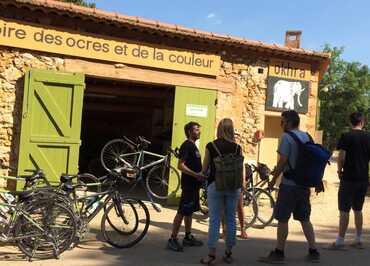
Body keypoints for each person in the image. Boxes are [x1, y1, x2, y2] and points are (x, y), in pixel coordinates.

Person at [259, 110, 322, 264]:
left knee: (282, 219)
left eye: (282, 121)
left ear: (288, 122)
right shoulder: (307, 136)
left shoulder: (286, 137)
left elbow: (283, 161)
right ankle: (313, 251)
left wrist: (274, 180)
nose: (281, 124)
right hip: (303, 185)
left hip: (289, 185)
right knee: (305, 219)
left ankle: (279, 253)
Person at [200, 118, 242, 264]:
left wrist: (200, 175)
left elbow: (204, 168)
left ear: (219, 129)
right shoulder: (237, 147)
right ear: (231, 129)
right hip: (232, 186)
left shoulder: (211, 146)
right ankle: (228, 253)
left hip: (215, 185)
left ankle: (211, 255)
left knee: (215, 220)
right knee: (230, 219)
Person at [328, 112, 370, 250]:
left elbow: (341, 156)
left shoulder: (346, 136)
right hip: (363, 178)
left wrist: (339, 171)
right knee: (358, 209)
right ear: (362, 122)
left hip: (348, 178)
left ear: (350, 122)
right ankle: (358, 239)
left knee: (344, 210)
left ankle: (340, 241)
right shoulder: (368, 137)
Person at [167, 121, 204, 252]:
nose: (199, 131)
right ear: (189, 132)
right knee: (182, 212)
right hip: (188, 185)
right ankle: (172, 239)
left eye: (199, 129)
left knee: (189, 211)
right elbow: (180, 165)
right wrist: (195, 175)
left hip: (194, 186)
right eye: (196, 129)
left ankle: (187, 237)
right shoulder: (187, 145)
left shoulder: (193, 146)